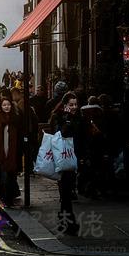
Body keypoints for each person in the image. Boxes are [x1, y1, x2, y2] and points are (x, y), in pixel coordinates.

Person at [48, 92, 83, 235]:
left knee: (67, 193)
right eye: (71, 105)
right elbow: (60, 134)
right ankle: (69, 223)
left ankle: (64, 221)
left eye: (75, 104)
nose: (74, 107)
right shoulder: (59, 117)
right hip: (62, 159)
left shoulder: (79, 117)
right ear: (65, 105)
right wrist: (68, 119)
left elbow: (81, 137)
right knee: (66, 192)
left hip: (74, 158)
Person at [0, 97, 23, 206]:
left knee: (11, 176)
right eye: (4, 105)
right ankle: (5, 197)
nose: (6, 107)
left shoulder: (16, 118)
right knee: (3, 176)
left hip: (13, 152)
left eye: (8, 105)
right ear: (1, 107)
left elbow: (21, 135)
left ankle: (9, 198)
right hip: (0, 152)